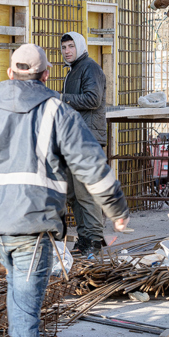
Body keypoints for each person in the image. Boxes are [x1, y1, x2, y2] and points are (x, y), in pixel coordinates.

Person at [0, 44, 130, 337]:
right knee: (26, 310)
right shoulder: (58, 114)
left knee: (18, 293)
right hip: (33, 225)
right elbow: (91, 164)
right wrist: (116, 210)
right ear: (47, 75)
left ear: (8, 73)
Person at [59, 32, 107, 257]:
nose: (67, 51)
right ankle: (84, 237)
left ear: (80, 46)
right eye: (64, 48)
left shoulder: (90, 67)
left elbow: (93, 99)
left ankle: (94, 240)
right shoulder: (73, 70)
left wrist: (62, 98)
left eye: (71, 46)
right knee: (73, 194)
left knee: (86, 193)